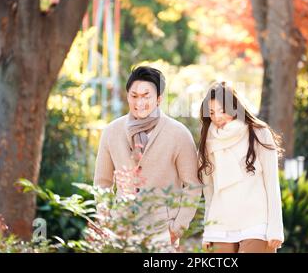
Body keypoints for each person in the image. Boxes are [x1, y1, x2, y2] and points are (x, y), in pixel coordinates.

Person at [94, 66, 201, 251]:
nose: (139, 102)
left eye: (146, 95)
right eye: (134, 95)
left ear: (159, 99)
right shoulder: (111, 131)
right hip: (122, 229)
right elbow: (102, 182)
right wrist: (107, 219)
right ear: (127, 95)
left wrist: (176, 229)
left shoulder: (178, 134)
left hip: (162, 231)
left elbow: (193, 185)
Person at [198, 81, 285, 253]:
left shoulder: (259, 133)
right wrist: (207, 230)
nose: (217, 118)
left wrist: (275, 228)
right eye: (212, 113)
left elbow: (272, 184)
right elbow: (209, 192)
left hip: (255, 223)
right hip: (220, 225)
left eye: (222, 110)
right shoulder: (208, 142)